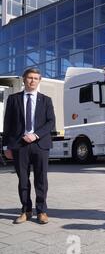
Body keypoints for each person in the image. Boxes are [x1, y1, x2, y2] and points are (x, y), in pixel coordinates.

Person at [2, 68, 55, 224]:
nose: (32, 81)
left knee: (41, 180)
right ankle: (26, 210)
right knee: (23, 180)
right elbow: (8, 123)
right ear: (24, 80)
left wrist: (36, 134)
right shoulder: (13, 99)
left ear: (39, 81)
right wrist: (6, 146)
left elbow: (51, 122)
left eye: (36, 78)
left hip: (40, 145)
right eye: (30, 78)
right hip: (19, 146)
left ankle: (42, 211)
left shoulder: (46, 100)